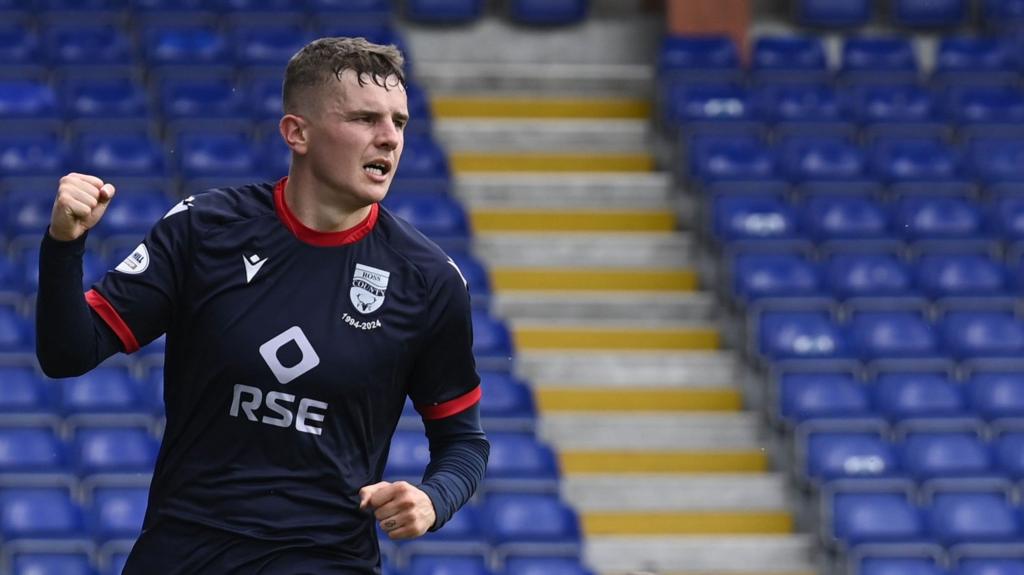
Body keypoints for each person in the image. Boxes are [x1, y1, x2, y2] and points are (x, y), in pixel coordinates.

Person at [36, 37, 489, 574]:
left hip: (324, 561)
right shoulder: (205, 229)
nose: (389, 139)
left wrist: (435, 499)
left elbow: (463, 441)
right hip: (185, 552)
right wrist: (64, 246)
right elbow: (68, 353)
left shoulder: (429, 279)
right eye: (366, 119)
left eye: (400, 122)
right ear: (297, 132)